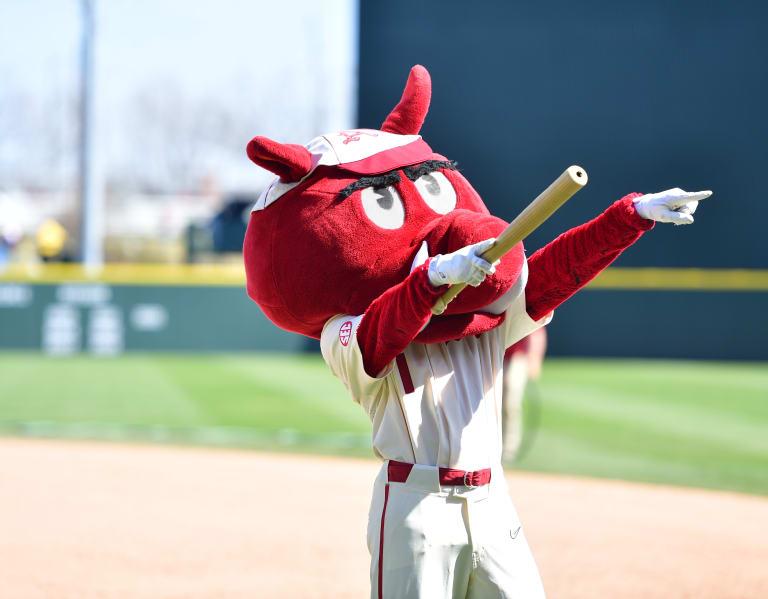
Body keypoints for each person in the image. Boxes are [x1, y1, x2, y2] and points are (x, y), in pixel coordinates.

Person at [242, 65, 711, 598]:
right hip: (416, 505)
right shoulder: (341, 333)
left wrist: (631, 216)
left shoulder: (482, 322)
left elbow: (552, 276)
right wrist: (432, 277)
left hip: (493, 503)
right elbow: (383, 329)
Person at [502, 326, 547, 463]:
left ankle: (508, 450)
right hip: (491, 356)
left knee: (510, 404)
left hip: (516, 357)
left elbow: (537, 329)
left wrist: (534, 358)